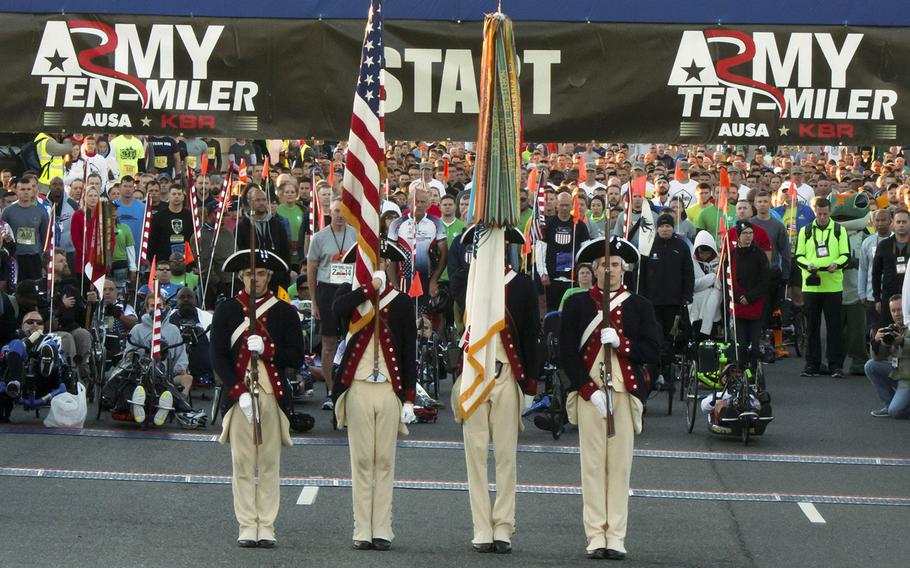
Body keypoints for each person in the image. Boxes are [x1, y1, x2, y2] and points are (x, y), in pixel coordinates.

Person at [559, 236, 661, 560]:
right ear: (594, 269)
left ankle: (615, 535)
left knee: (619, 469)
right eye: (604, 265)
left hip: (623, 393)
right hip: (591, 396)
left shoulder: (640, 306)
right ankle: (595, 535)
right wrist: (586, 389)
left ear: (624, 270)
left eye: (615, 265)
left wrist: (622, 343)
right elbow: (565, 352)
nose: (610, 270)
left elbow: (653, 351)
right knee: (591, 467)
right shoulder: (577, 304)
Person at [452, 226, 539, 555]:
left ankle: (503, 526)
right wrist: (477, 269)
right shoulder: (468, 280)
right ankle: (481, 527)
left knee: (505, 457)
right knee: (475, 457)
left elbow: (531, 335)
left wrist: (530, 383)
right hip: (475, 375)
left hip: (506, 376)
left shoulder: (522, 285)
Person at [212, 249, 305, 549]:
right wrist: (237, 391)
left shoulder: (284, 312)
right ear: (242, 276)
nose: (256, 279)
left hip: (271, 396)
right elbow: (218, 357)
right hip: (241, 397)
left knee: (268, 464)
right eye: (251, 274)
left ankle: (266, 525)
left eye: (262, 274)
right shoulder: (227, 310)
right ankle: (246, 524)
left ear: (269, 277)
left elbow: (297, 355)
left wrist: (268, 350)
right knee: (242, 463)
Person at [331, 243, 416, 551]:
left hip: (388, 388)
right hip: (358, 386)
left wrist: (408, 396)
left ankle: (382, 527)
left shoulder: (401, 302)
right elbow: (336, 312)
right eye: (368, 260)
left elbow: (409, 350)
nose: (375, 263)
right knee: (362, 459)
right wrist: (369, 288)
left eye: (379, 259)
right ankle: (361, 527)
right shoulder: (350, 297)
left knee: (384, 460)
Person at [306, 199, 357, 410]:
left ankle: (348, 388)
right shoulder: (319, 238)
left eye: (343, 211)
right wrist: (314, 302)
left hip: (349, 290)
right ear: (329, 212)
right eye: (336, 211)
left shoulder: (355, 233)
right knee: (328, 344)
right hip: (327, 291)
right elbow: (311, 270)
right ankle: (330, 389)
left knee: (352, 340)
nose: (339, 215)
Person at [795, 197, 850, 377]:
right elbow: (798, 256)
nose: (823, 217)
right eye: (819, 214)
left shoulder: (839, 230)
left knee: (835, 327)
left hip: (833, 286)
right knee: (812, 327)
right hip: (811, 286)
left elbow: (846, 255)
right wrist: (808, 265)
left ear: (830, 211)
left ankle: (836, 365)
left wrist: (836, 264)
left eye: (826, 214)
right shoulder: (806, 230)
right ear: (815, 212)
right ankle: (812, 364)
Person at [122, 293, 196, 425]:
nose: (156, 309)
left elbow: (181, 356)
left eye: (159, 306)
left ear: (165, 307)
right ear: (146, 309)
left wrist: (181, 369)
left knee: (188, 378)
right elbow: (128, 353)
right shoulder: (137, 329)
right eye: (152, 306)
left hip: (167, 376)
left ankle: (176, 404)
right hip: (143, 375)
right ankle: (138, 405)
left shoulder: (173, 330)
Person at [639, 213, 694, 387]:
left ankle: (669, 374)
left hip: (674, 302)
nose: (665, 229)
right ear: (657, 228)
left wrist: (687, 295)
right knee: (655, 338)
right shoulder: (648, 247)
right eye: (662, 226)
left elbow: (688, 273)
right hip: (652, 302)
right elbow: (640, 275)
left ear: (673, 227)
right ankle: (654, 374)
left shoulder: (681, 246)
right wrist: (640, 297)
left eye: (668, 226)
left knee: (670, 339)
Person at [538, 192, 590, 311]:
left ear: (572, 205)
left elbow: (585, 252)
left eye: (567, 205)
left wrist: (584, 274)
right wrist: (542, 273)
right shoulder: (548, 224)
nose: (564, 208)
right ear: (556, 205)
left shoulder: (580, 226)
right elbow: (540, 250)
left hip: (573, 280)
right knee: (553, 312)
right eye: (562, 205)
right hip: (552, 280)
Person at [730, 221, 770, 368]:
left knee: (754, 343)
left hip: (756, 303)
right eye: (745, 233)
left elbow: (765, 279)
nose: (748, 236)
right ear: (738, 236)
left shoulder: (759, 254)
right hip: (738, 303)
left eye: (750, 233)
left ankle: (753, 372)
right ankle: (740, 370)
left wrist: (750, 297)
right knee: (741, 344)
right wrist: (738, 296)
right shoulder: (732, 254)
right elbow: (727, 278)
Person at [865, 294, 910, 418]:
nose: (897, 313)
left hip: (908, 379)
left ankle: (895, 408)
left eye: (899, 309)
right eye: (893, 311)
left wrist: (902, 341)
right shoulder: (892, 329)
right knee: (870, 366)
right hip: (899, 373)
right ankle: (889, 404)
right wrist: (876, 342)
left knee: (896, 412)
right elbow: (877, 358)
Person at [2, 176, 49, 280]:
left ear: (33, 191)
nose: (26, 192)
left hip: (34, 258)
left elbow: (45, 237)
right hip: (15, 258)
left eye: (29, 189)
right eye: (22, 189)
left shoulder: (41, 212)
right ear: (17, 192)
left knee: (35, 291)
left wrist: (44, 262)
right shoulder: (7, 212)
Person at [872, 209, 910, 326]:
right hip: (889, 297)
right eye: (898, 222)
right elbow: (876, 273)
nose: (901, 225)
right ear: (893, 223)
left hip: (909, 296)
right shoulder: (884, 245)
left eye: (904, 222)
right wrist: (877, 298)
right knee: (888, 332)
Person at [860, 209, 893, 334]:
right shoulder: (867, 242)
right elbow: (863, 269)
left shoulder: (897, 240)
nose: (880, 223)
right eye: (877, 220)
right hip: (871, 296)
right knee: (876, 332)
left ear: (890, 221)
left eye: (883, 220)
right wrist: (862, 293)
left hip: (892, 295)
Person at [148, 185, 195, 266]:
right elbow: (152, 240)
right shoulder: (158, 217)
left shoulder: (190, 216)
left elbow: (194, 241)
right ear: (169, 197)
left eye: (179, 194)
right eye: (174, 194)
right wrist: (150, 259)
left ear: (183, 197)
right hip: (164, 262)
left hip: (186, 262)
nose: (176, 196)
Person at [689, 231, 722, 340]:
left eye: (707, 253)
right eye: (701, 253)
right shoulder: (691, 263)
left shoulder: (720, 262)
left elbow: (720, 286)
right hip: (697, 309)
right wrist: (712, 278)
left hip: (714, 311)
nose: (704, 256)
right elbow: (693, 285)